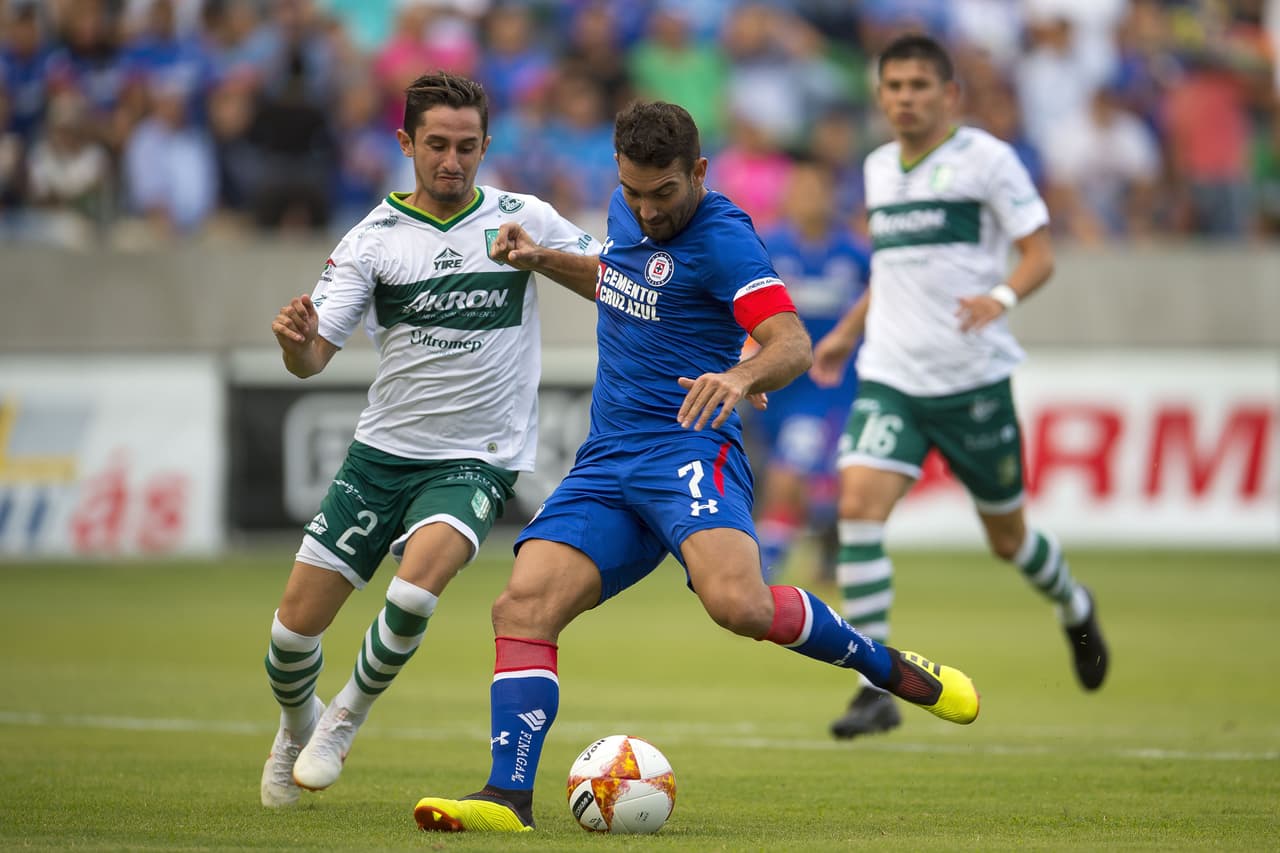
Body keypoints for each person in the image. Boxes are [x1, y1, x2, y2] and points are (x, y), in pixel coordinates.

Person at [410, 100, 979, 834]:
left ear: (698, 172)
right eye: (634, 193)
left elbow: (792, 343)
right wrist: (543, 258)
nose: (647, 211)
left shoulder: (727, 240)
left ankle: (884, 665)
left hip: (688, 447)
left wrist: (742, 379)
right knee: (521, 606)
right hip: (608, 458)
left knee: (738, 605)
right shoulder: (627, 208)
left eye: (663, 194)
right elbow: (621, 283)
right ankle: (506, 797)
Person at [259, 71, 601, 808]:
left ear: (486, 146)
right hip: (383, 454)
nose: (452, 161)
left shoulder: (523, 217)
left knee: (416, 589)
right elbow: (315, 356)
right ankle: (298, 727)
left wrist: (538, 257)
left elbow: (613, 279)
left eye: (468, 146)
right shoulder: (372, 241)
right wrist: (296, 342)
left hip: (479, 455)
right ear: (406, 143)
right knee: (289, 642)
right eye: (437, 145)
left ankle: (347, 714)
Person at [810, 33, 1108, 741]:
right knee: (857, 506)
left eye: (920, 85)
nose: (906, 98)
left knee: (1008, 539)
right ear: (880, 97)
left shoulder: (988, 160)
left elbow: (1040, 253)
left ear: (950, 95)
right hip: (893, 375)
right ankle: (874, 685)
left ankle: (1073, 603)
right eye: (895, 86)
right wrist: (850, 330)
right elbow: (892, 267)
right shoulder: (879, 167)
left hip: (973, 380)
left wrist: (998, 299)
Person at [752, 159, 870, 583]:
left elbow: (885, 300)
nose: (808, 200)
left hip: (831, 387)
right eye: (800, 191)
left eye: (816, 190)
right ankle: (830, 541)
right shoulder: (768, 248)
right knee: (812, 484)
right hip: (779, 384)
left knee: (788, 473)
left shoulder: (853, 254)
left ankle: (764, 571)